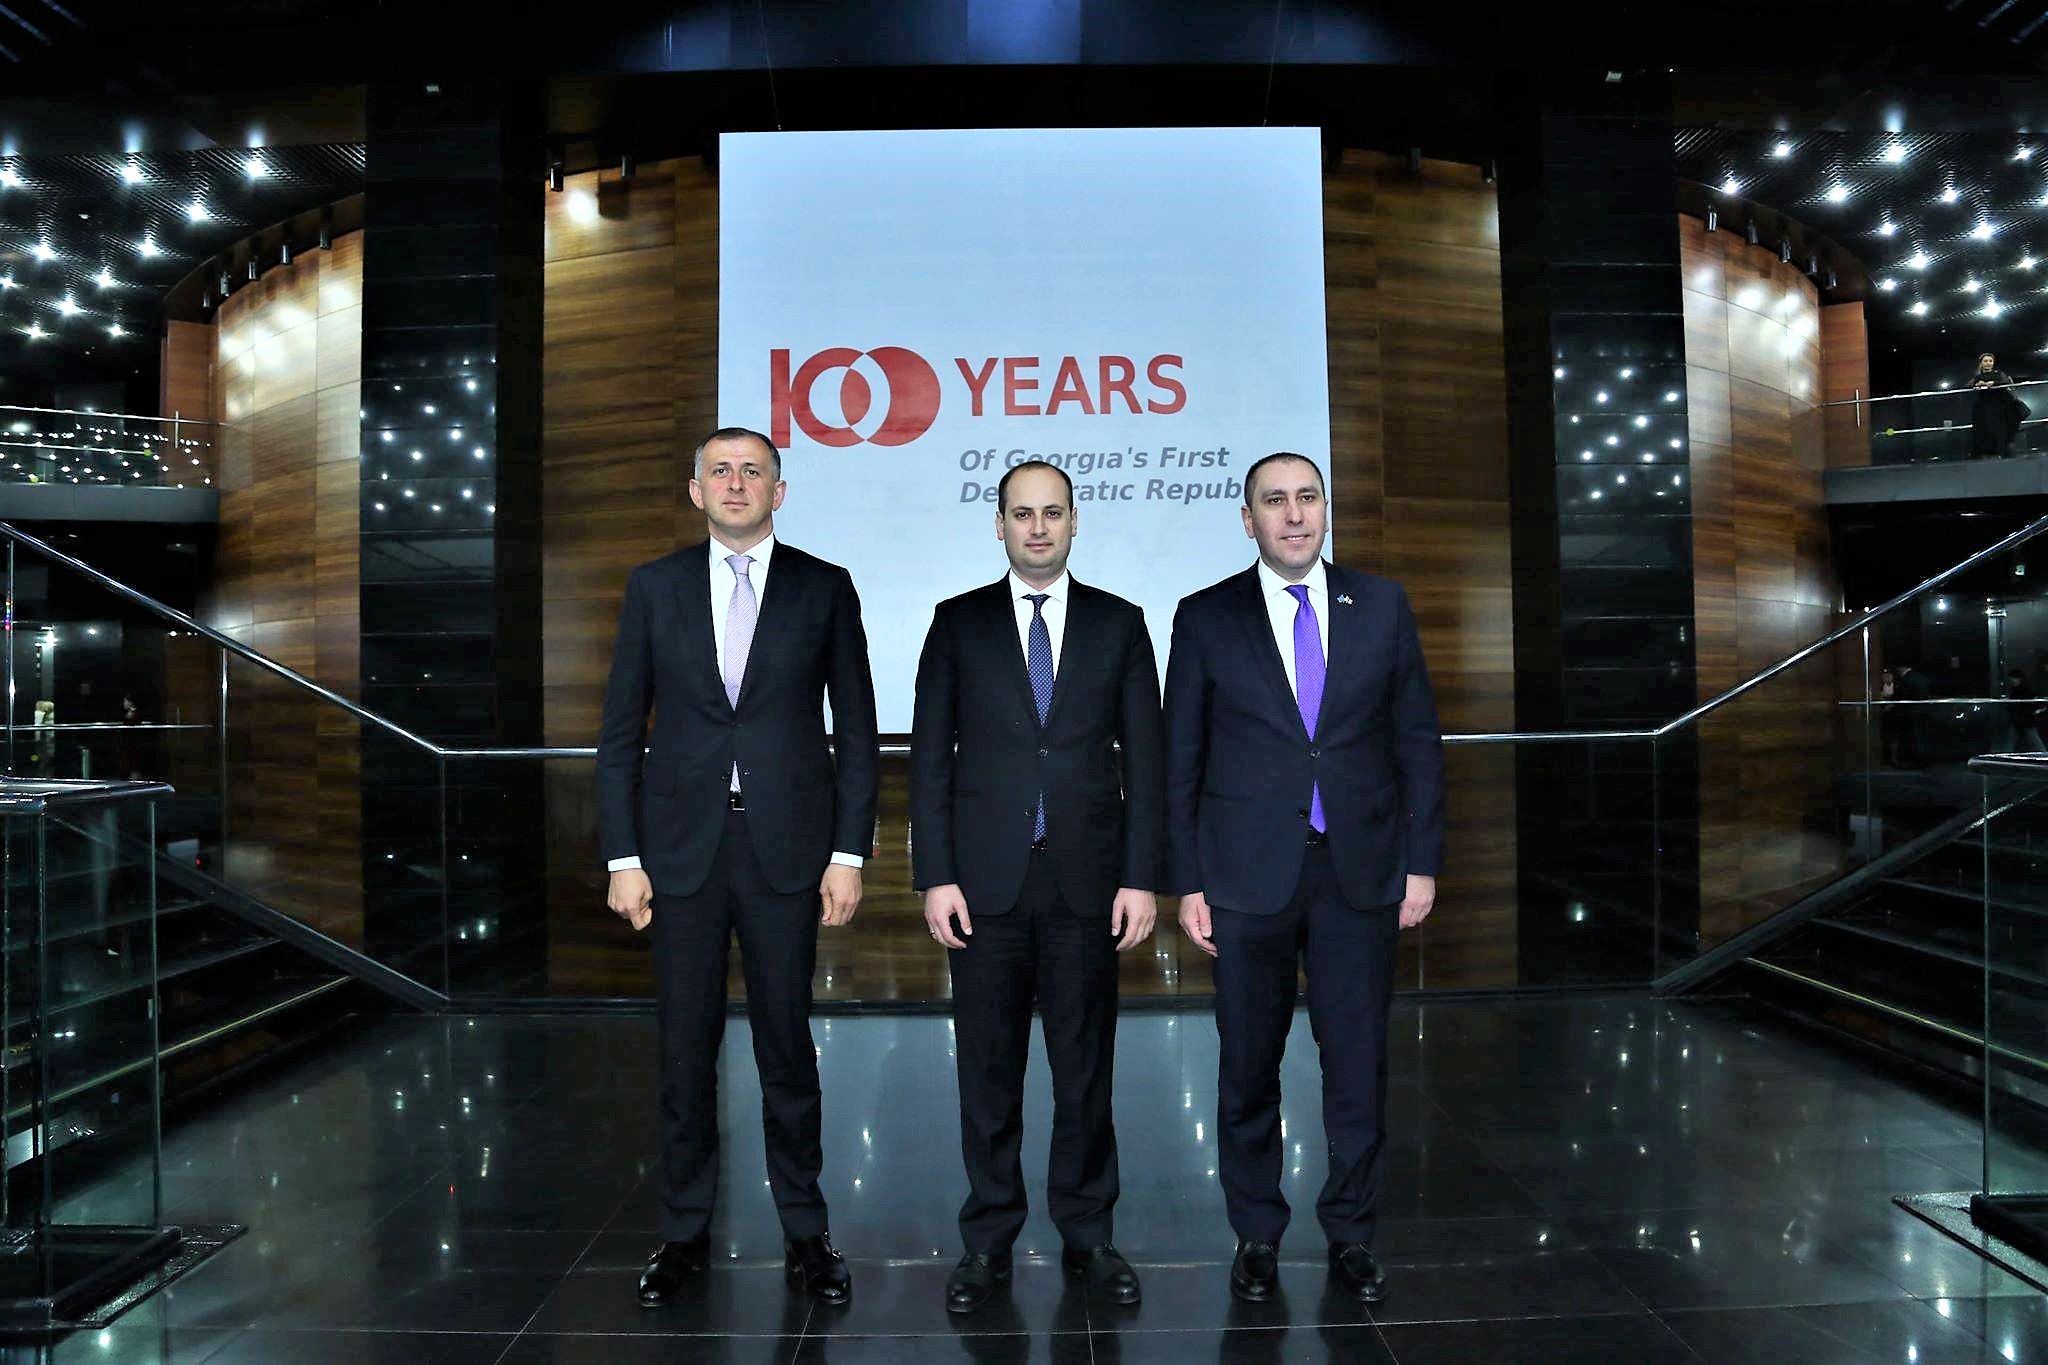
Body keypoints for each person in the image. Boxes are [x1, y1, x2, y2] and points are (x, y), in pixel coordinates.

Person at [596, 426, 880, 1309]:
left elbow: (857, 730)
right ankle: (683, 1231)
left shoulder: (824, 587)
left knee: (786, 1046)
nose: (735, 482)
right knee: (684, 1052)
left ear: (778, 491)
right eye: (719, 470)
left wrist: (848, 851)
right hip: (677, 855)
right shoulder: (654, 587)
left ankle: (806, 1230)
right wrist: (622, 854)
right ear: (695, 490)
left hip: (786, 852)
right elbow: (620, 732)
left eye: (752, 470)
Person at [1162, 452, 1445, 1306]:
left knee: (1356, 1065)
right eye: (1275, 500)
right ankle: (1256, 1231)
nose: (1294, 514)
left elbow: (1417, 741)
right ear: (1247, 519)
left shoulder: (1382, 604)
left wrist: (1421, 861)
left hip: (1360, 874)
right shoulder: (1205, 615)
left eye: (1307, 497)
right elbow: (1181, 759)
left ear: (1326, 509)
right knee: (1248, 1067)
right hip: (1244, 876)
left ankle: (1352, 1231)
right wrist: (1188, 880)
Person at [910, 459, 1164, 1315]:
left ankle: (1088, 1234)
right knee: (988, 1072)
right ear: (1000, 525)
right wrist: (935, 875)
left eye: (1052, 512)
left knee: (1085, 1072)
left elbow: (1148, 762)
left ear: (1074, 520)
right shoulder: (957, 622)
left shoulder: (1121, 623)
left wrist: (1142, 876)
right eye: (1022, 514)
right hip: (983, 888)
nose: (1039, 528)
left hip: (1088, 885)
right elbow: (930, 761)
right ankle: (987, 1240)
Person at [1969, 353, 2029, 459]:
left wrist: (1993, 383)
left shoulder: (1998, 373)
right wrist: (1977, 385)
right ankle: (1989, 454)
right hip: (1985, 408)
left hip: (2000, 406)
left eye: (1990, 361)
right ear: (1981, 363)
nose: (1988, 363)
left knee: (2001, 429)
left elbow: (2006, 383)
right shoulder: (1977, 377)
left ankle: (2003, 452)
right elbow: (1967, 386)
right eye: (1985, 361)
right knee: (1987, 430)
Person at [2008, 667, 2045, 752]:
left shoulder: (2025, 690)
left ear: (2020, 679)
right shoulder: (2016, 690)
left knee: (2035, 743)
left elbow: (2032, 705)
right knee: (2011, 743)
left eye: (2014, 678)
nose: (2012, 680)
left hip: (2026, 721)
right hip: (2020, 721)